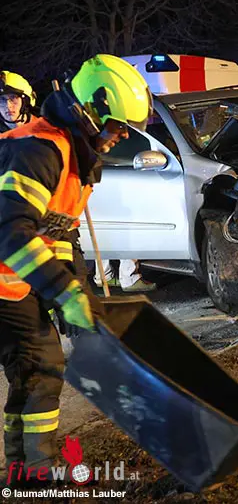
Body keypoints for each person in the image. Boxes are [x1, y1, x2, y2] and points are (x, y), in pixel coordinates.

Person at [0, 54, 151, 475]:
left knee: (32, 371)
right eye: (119, 125)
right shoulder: (40, 150)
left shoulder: (72, 154)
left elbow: (61, 237)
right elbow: (10, 232)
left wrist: (79, 291)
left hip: (18, 278)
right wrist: (63, 292)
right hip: (7, 279)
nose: (123, 135)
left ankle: (23, 469)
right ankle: (36, 473)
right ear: (91, 112)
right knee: (41, 364)